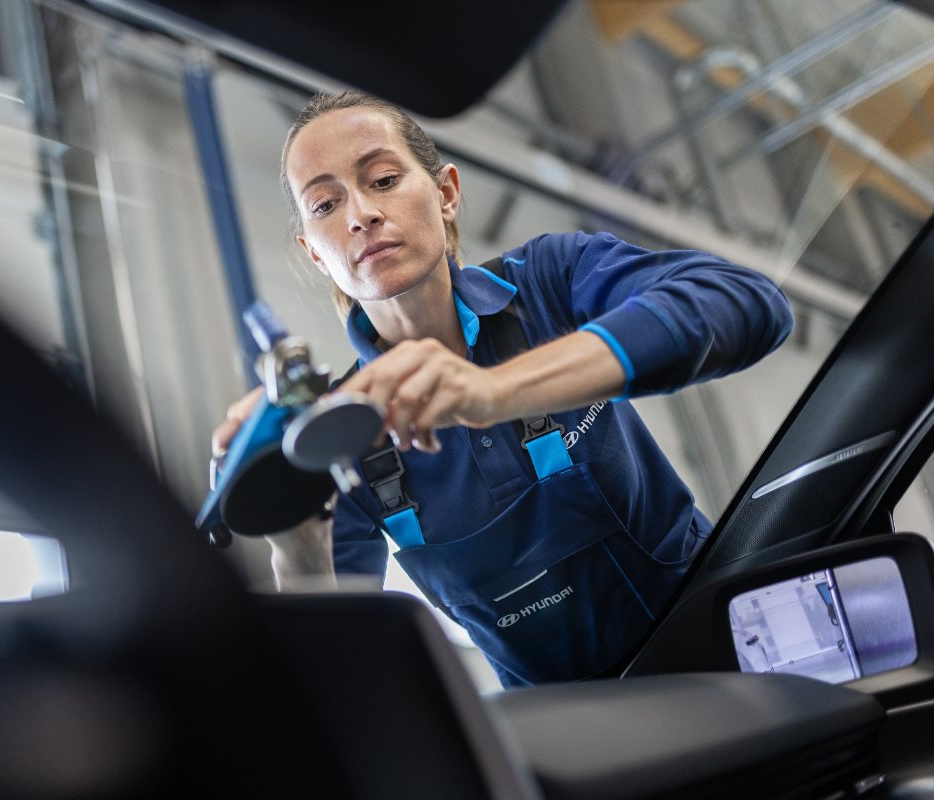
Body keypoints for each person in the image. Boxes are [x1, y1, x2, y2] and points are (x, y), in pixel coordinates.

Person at [212, 91, 793, 687]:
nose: (360, 214)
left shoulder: (551, 282)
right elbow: (337, 668)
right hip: (580, 747)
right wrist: (295, 538)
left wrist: (494, 391)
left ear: (446, 194)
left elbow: (747, 304)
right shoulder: (349, 435)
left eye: (383, 179)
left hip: (733, 654)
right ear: (315, 253)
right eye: (326, 204)